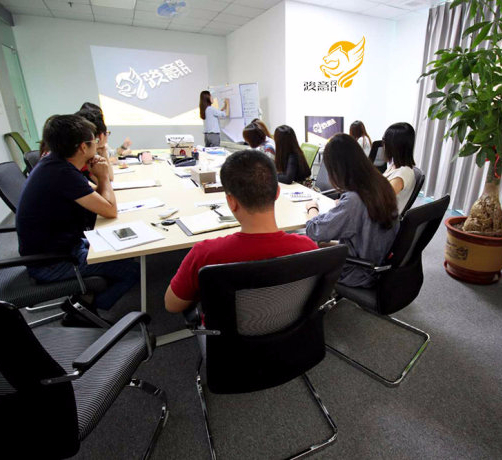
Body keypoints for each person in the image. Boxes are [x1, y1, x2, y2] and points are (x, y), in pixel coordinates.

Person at [16, 115, 139, 322]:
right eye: (95, 141)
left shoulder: (54, 164)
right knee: (133, 271)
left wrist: (100, 177)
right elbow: (109, 210)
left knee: (124, 251)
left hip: (57, 248)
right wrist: (102, 176)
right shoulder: (62, 174)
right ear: (83, 147)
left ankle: (85, 297)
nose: (98, 144)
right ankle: (84, 311)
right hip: (53, 262)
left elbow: (96, 198)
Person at [165, 149, 317, 313]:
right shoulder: (307, 248)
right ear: (277, 193)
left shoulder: (205, 254)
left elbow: (172, 305)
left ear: (231, 202)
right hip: (290, 326)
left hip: (226, 330)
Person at [304, 134, 398, 288]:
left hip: (359, 271)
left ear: (336, 169)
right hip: (377, 262)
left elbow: (314, 231)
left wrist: (312, 208)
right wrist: (343, 207)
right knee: (321, 244)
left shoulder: (354, 200)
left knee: (306, 250)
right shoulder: (381, 184)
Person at [382, 122, 417, 214]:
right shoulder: (394, 166)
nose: (383, 144)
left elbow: (381, 201)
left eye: (384, 140)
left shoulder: (402, 174)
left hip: (382, 219)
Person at [75, 107, 114, 181]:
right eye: (107, 133)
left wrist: (103, 152)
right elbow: (107, 180)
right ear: (101, 136)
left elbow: (109, 178)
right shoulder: (84, 158)